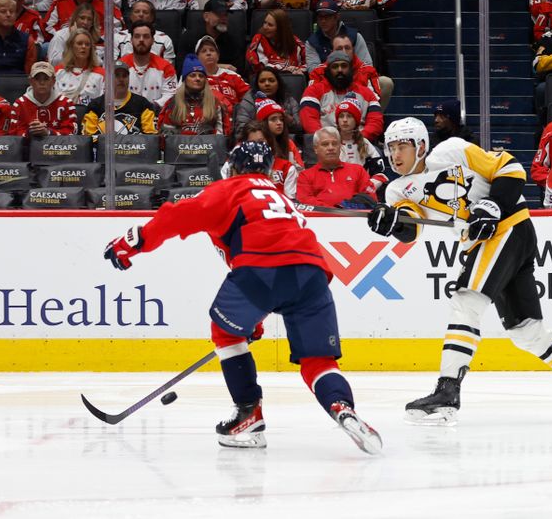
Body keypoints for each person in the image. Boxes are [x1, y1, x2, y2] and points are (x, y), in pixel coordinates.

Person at [103, 140, 383, 455]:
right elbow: (282, 249)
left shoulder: (229, 189)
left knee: (224, 332)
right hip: (313, 273)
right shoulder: (281, 197)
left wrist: (133, 242)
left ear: (233, 168)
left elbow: (176, 217)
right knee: (317, 360)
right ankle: (342, 407)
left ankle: (248, 415)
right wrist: (254, 318)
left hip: (260, 270)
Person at [365, 117, 552, 423]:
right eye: (391, 147)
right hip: (490, 241)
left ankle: (447, 390)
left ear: (421, 146)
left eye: (402, 146)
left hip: (508, 228)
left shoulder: (452, 151)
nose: (395, 154)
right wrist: (391, 223)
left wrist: (491, 205)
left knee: (466, 302)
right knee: (527, 332)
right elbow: (411, 229)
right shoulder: (397, 191)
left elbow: (509, 169)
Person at [300, 50, 383, 142]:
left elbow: (376, 122)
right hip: (325, 144)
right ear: (328, 71)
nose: (340, 70)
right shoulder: (313, 91)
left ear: (351, 69)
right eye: (335, 66)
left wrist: (360, 139)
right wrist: (327, 141)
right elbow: (308, 121)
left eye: (344, 66)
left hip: (360, 143)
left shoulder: (366, 93)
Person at [296, 126, 379, 207]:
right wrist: (336, 210)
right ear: (315, 149)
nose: (331, 148)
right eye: (325, 144)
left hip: (354, 218)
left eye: (334, 143)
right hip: (319, 219)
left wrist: (347, 207)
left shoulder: (358, 170)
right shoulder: (305, 176)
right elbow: (305, 202)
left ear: (340, 147)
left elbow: (370, 199)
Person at [310, 33, 392, 110]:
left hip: (359, 114)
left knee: (386, 82)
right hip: (328, 114)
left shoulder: (367, 70)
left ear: (353, 50)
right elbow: (311, 99)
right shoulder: (318, 72)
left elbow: (373, 101)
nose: (344, 52)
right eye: (339, 49)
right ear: (332, 52)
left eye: (347, 48)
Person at [81, 60, 157, 136]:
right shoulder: (95, 106)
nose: (121, 79)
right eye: (116, 75)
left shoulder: (143, 104)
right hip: (103, 148)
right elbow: (88, 138)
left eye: (124, 76)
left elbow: (150, 137)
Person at [158, 53, 225, 136]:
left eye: (201, 76)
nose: (197, 78)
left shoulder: (214, 103)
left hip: (208, 147)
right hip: (178, 147)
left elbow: (221, 138)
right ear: (185, 80)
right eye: (193, 75)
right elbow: (165, 137)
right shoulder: (172, 103)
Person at [8, 61, 78, 137]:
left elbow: (71, 133)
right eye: (37, 79)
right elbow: (13, 135)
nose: (42, 82)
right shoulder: (19, 104)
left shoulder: (66, 103)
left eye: (46, 79)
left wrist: (49, 132)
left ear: (53, 81)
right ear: (30, 81)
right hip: (27, 148)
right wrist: (29, 133)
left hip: (57, 148)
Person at [177, 0, 245, 74]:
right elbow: (181, 68)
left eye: (225, 14)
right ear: (206, 17)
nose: (224, 18)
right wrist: (218, 67)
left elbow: (239, 71)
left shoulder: (232, 41)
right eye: (219, 14)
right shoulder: (189, 38)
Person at [120, 21, 177, 111]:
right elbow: (112, 93)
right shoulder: (120, 66)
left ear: (152, 40)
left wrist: (154, 106)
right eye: (137, 36)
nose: (141, 40)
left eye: (146, 36)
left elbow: (171, 94)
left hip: (155, 115)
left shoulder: (166, 67)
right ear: (131, 40)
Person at [305, 0, 374, 73]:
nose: (323, 21)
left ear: (337, 17)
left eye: (327, 17)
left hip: (355, 79)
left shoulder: (355, 36)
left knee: (384, 81)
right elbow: (312, 70)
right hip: (325, 82)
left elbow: (367, 65)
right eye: (320, 17)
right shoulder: (312, 42)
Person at [234, 66, 301, 138]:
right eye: (262, 81)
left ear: (278, 83)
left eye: (271, 80)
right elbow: (241, 130)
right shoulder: (249, 99)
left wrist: (285, 117)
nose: (267, 84)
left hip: (284, 141)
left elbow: (299, 128)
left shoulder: (288, 100)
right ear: (257, 85)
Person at [43, 0, 123, 38]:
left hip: (99, 48)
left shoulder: (106, 4)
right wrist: (68, 35)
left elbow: (118, 27)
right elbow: (48, 28)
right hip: (66, 46)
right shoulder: (60, 4)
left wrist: (98, 36)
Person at [195, 35, 249, 113]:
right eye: (204, 51)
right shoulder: (193, 77)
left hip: (235, 118)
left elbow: (249, 95)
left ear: (218, 56)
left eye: (212, 50)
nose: (209, 53)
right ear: (197, 58)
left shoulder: (232, 75)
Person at [246, 8, 307, 75]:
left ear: (281, 28)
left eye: (270, 25)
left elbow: (308, 63)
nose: (265, 27)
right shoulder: (259, 39)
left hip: (291, 81)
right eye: (265, 22)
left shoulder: (295, 42)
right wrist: (285, 70)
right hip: (267, 80)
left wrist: (298, 70)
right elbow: (257, 65)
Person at [54, 28, 104, 107]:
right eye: (79, 43)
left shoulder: (101, 74)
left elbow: (103, 104)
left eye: (87, 44)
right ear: (71, 46)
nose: (83, 47)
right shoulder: (58, 71)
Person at [336, 93, 386, 173]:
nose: (344, 120)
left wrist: (370, 185)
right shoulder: (332, 143)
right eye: (341, 116)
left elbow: (380, 173)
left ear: (356, 120)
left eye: (349, 116)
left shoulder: (365, 143)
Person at [114, 0, 175, 64]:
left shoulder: (164, 40)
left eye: (145, 12)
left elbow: (169, 69)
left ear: (152, 17)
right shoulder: (117, 38)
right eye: (137, 11)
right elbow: (110, 67)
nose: (141, 15)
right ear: (131, 16)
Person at [47, 3, 104, 68]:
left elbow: (99, 63)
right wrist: (73, 38)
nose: (85, 22)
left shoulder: (95, 38)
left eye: (89, 19)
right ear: (75, 19)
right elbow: (54, 62)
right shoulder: (60, 36)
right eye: (82, 18)